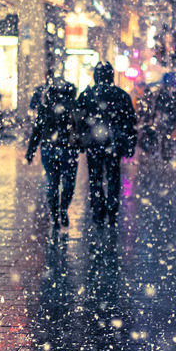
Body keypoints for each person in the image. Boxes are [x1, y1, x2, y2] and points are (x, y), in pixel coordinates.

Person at [76, 62, 137, 227]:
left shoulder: (87, 95)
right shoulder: (121, 95)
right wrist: (130, 143)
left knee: (95, 178)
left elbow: (79, 120)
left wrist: (81, 140)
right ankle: (112, 210)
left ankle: (98, 211)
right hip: (114, 143)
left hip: (94, 144)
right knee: (113, 177)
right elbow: (130, 121)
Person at [26, 72, 78, 228]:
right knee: (68, 183)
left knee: (52, 182)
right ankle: (62, 209)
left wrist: (31, 151)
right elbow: (80, 127)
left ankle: (55, 213)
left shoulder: (45, 106)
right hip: (68, 149)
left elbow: (37, 130)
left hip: (49, 148)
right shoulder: (73, 106)